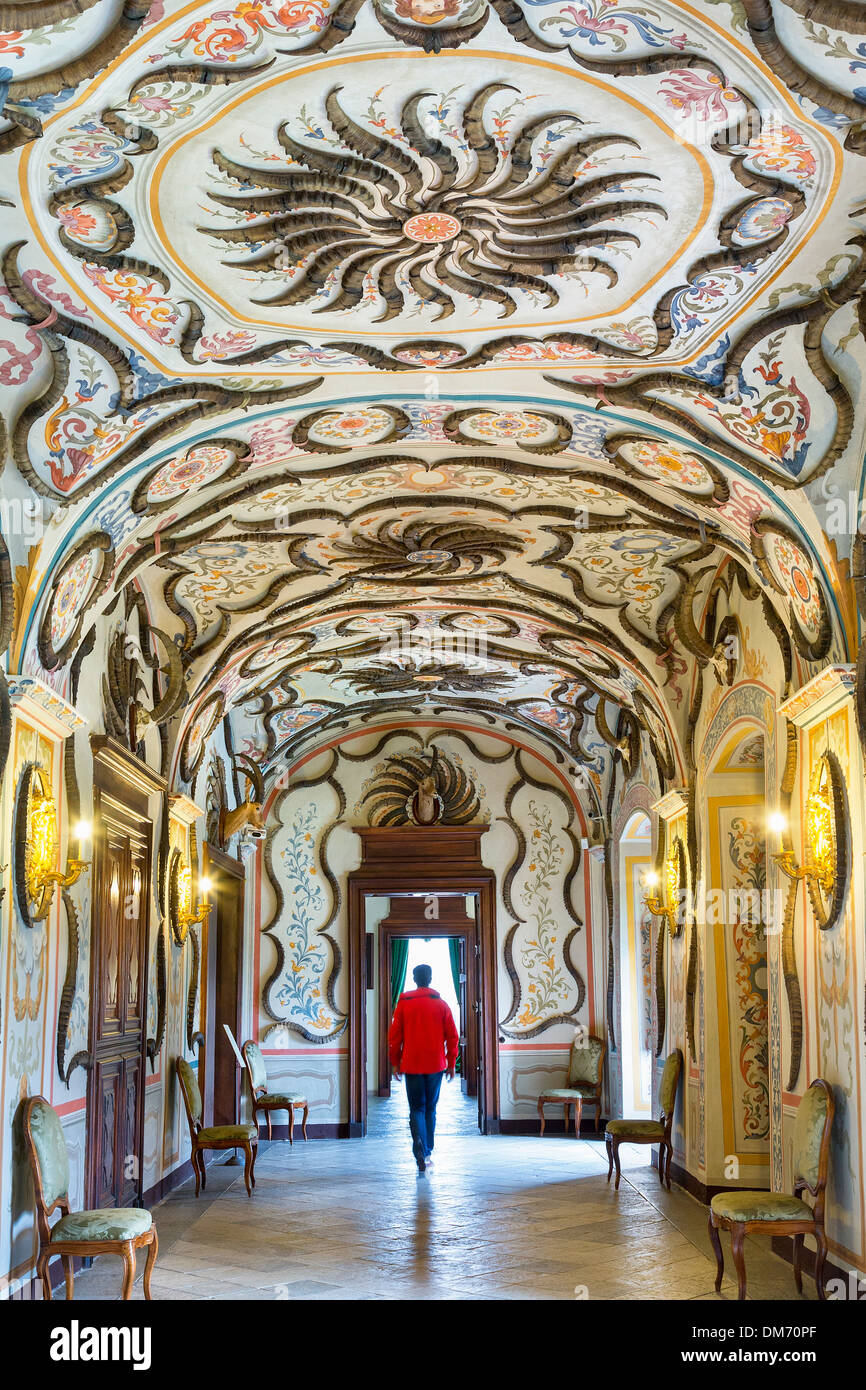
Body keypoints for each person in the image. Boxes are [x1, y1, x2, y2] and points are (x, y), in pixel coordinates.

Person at [389, 963, 458, 1173]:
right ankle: (427, 1152)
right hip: (435, 1064)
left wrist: (395, 1063)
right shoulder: (442, 1004)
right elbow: (453, 1037)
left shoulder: (403, 1004)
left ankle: (418, 1147)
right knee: (430, 1109)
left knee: (416, 1108)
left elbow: (394, 1038)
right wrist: (452, 1063)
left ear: (413, 978)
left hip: (411, 1064)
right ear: (430, 978)